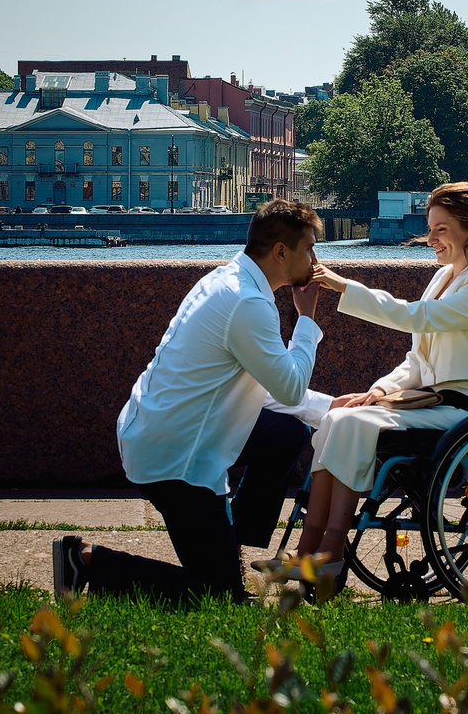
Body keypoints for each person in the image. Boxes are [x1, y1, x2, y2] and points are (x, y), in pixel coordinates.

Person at [53, 198, 333, 604]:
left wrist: (330, 407)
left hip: (165, 430)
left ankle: (229, 538)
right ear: (280, 252)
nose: (315, 259)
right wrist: (306, 320)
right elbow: (289, 388)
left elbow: (265, 388)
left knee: (287, 434)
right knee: (217, 597)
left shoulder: (227, 279)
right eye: (309, 248)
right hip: (176, 459)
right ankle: (85, 560)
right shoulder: (249, 303)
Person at [259, 181, 468, 593]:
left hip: (464, 409)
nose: (430, 239)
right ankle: (308, 553)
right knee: (338, 417)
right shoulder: (449, 276)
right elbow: (418, 359)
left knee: (353, 424)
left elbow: (414, 318)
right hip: (432, 402)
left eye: (441, 229)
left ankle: (331, 555)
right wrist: (377, 391)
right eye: (430, 228)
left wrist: (342, 285)